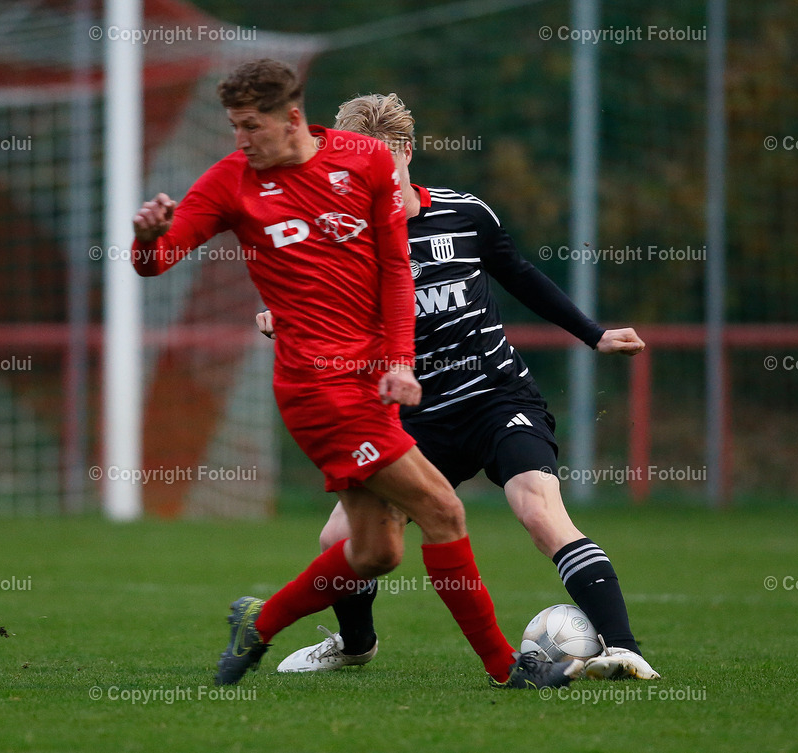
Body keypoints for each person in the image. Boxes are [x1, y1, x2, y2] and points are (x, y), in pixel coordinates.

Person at [130, 60, 580, 689]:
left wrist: (398, 362)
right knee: (445, 512)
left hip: (374, 384)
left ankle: (258, 626)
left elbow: (397, 268)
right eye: (233, 126)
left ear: (292, 119)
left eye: (250, 126)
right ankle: (508, 670)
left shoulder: (362, 160)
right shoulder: (230, 182)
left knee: (375, 551)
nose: (240, 141)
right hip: (320, 390)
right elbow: (158, 262)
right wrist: (146, 239)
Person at [259, 93, 659, 681]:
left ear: (408, 156)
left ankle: (623, 648)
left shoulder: (465, 213)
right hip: (414, 420)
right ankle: (355, 644)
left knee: (539, 508)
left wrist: (592, 334)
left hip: (495, 397)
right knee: (339, 538)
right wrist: (282, 316)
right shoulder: (338, 241)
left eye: (381, 169)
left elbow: (519, 273)